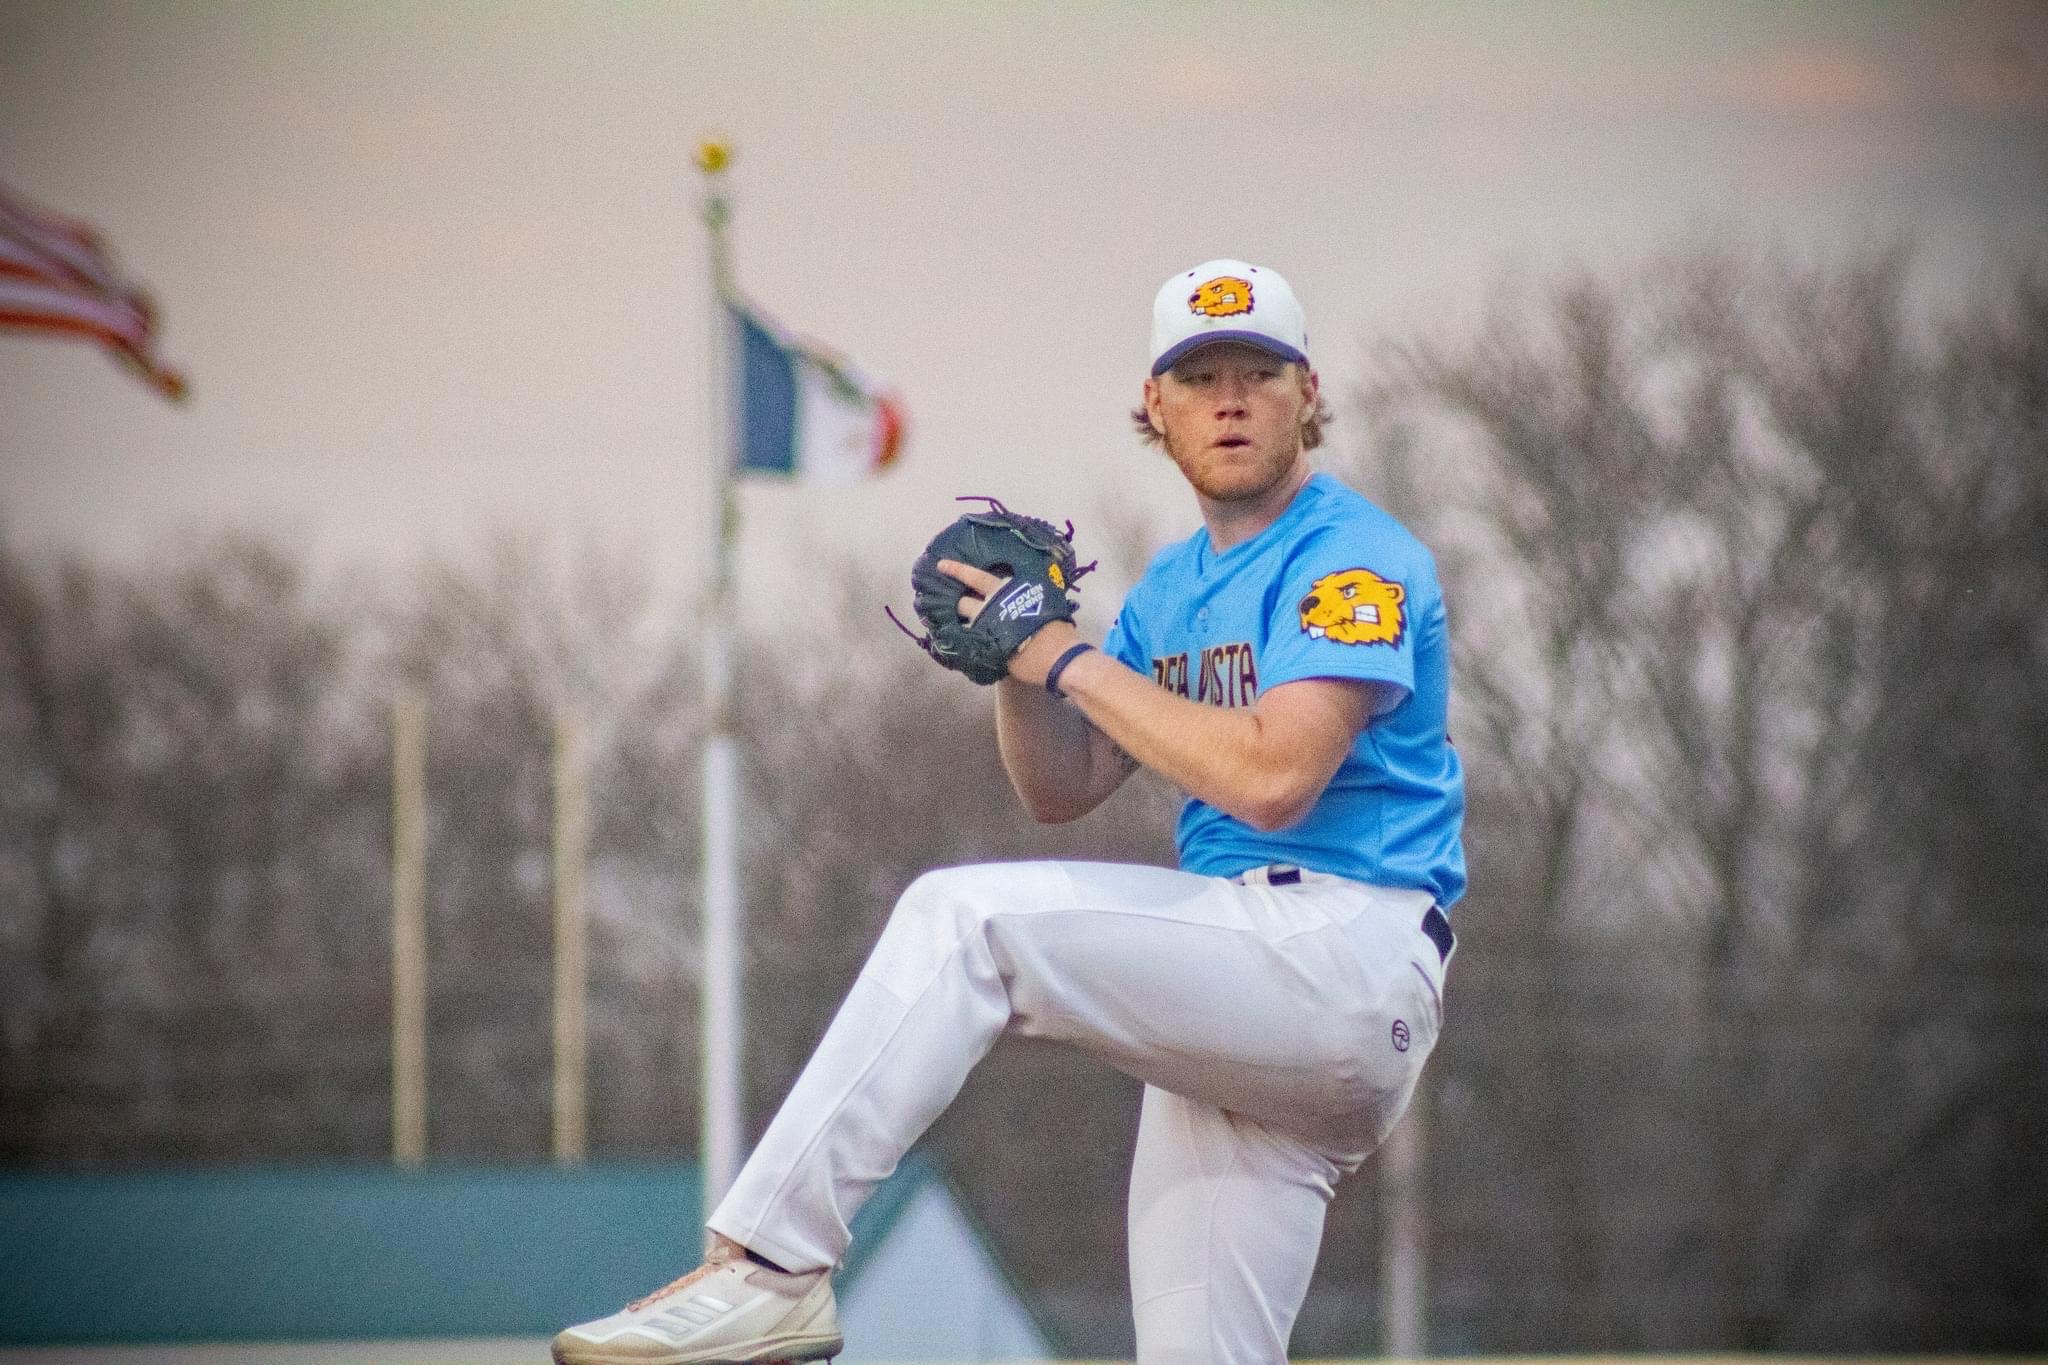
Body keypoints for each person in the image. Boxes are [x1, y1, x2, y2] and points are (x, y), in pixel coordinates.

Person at [550, 259, 1466, 1364]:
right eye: (1199, 374)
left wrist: (1065, 654)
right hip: (1242, 1001)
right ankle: (770, 1274)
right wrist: (1011, 667)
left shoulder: (1350, 556)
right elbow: (1059, 789)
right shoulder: (1175, 586)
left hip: (1339, 953)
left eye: (1259, 373)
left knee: (964, 922)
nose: (1229, 398)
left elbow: (1273, 780)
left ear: (1308, 396)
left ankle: (771, 1265)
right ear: (1154, 409)